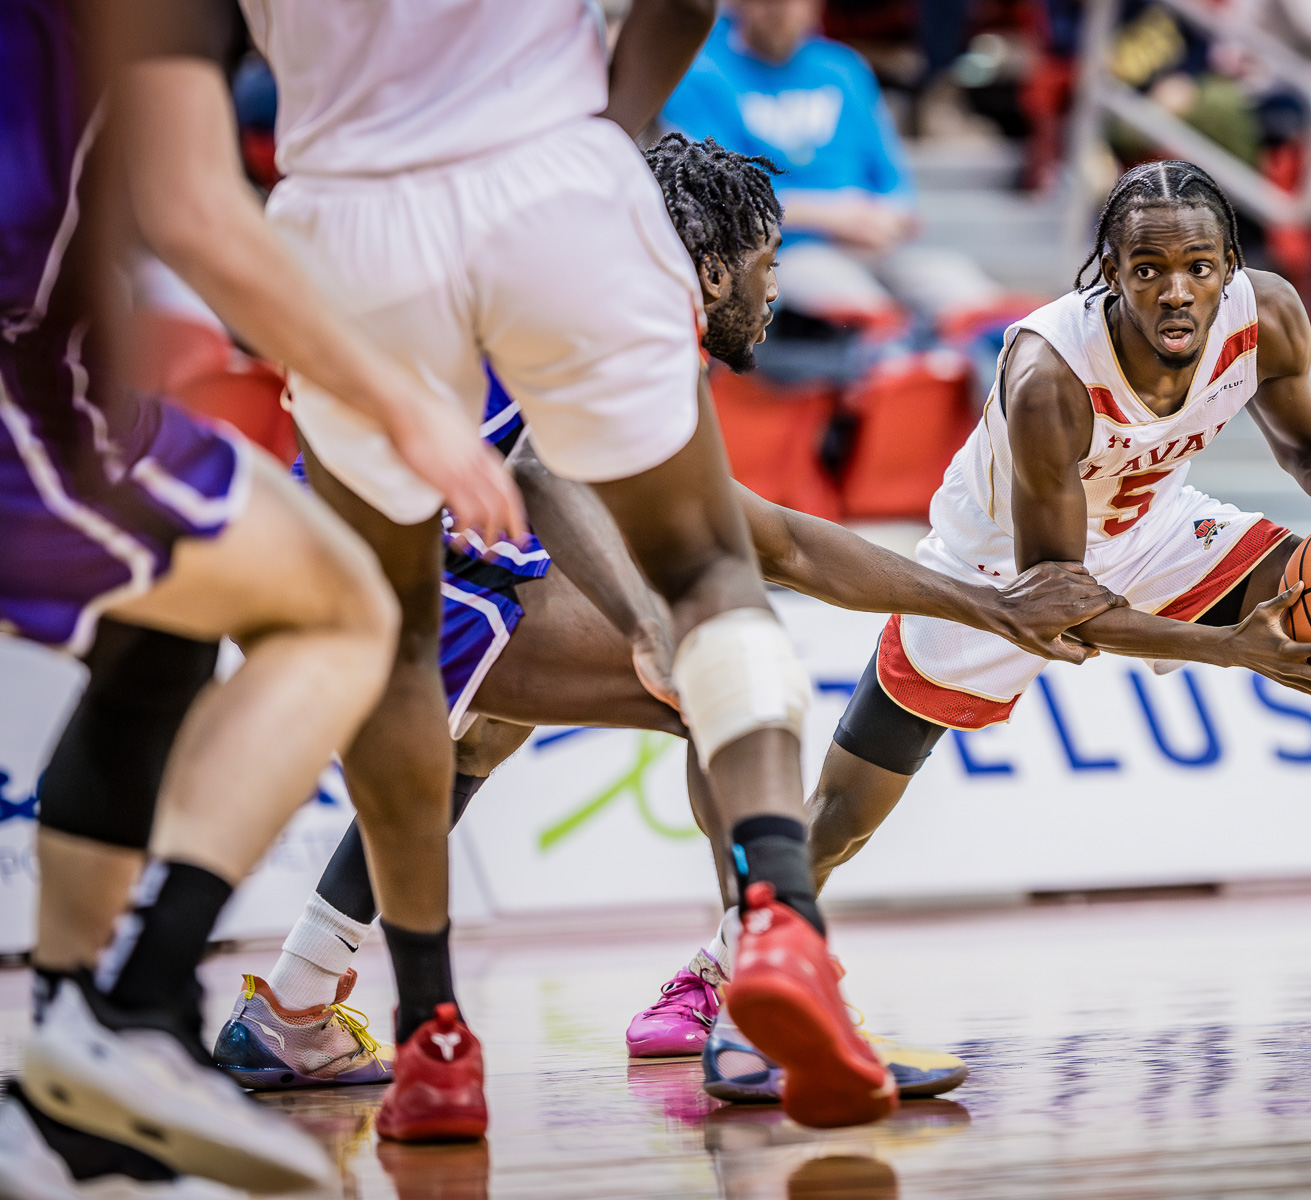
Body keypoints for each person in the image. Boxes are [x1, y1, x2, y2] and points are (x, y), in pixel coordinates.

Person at [211, 133, 1116, 1108]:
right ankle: (753, 1017)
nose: (777, 292)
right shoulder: (638, 320)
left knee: (490, 731)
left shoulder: (567, 286)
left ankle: (293, 1007)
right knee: (725, 676)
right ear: (713, 267)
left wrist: (984, 604)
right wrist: (653, 628)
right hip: (386, 560)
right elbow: (740, 535)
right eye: (769, 265)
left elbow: (685, 517)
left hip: (331, 544)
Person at [636, 158, 1311, 1053]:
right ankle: (714, 969)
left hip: (1158, 527)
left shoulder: (1266, 315)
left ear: (1231, 263)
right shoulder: (1047, 379)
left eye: (1198, 265)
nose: (1176, 288)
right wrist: (1234, 649)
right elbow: (1057, 604)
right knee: (844, 815)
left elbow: (1308, 444)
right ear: (1108, 267)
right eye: (1148, 268)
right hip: (995, 577)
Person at [242, 0, 904, 1132]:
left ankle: (371, 1019)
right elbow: (742, 533)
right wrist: (649, 615)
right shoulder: (605, 223)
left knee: (441, 688)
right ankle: (759, 982)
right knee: (707, 644)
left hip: (333, 224)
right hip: (527, 204)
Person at [0, 0, 526, 1193]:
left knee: (166, 632)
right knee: (341, 606)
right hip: (21, 380)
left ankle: (71, 1075)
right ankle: (135, 1003)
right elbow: (196, 211)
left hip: (68, 375)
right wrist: (402, 403)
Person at [659, 0, 1009, 337]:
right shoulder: (701, 74)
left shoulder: (843, 68)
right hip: (779, 253)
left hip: (874, 244)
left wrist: (888, 215)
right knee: (863, 317)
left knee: (967, 297)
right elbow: (719, 197)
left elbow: (893, 180)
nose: (781, 9)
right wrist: (833, 216)